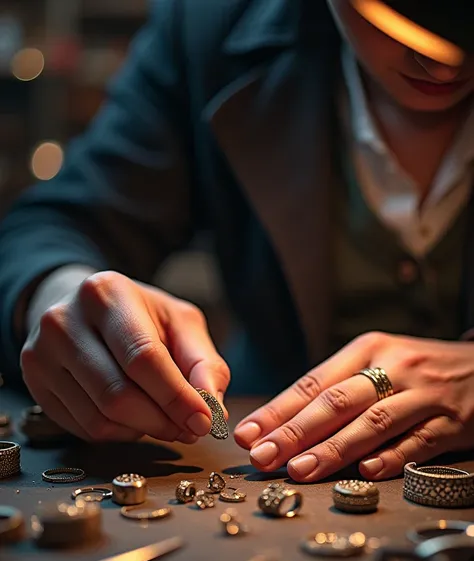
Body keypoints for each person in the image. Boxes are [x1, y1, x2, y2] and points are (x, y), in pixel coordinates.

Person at [1, 0, 474, 484]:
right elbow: (56, 223)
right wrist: (60, 295)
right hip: (258, 460)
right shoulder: (209, 23)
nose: (442, 60)